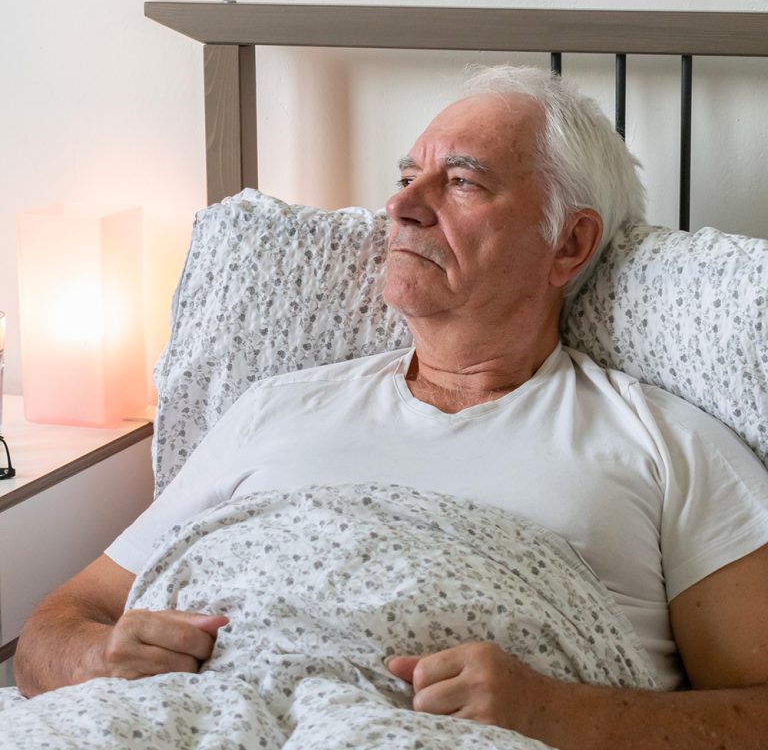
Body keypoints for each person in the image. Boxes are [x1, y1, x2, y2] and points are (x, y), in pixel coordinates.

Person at [13, 66, 768, 749]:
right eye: (407, 176)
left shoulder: (668, 445)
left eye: (462, 182)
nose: (401, 205)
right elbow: (54, 627)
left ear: (569, 245)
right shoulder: (275, 407)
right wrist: (98, 656)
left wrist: (560, 713)